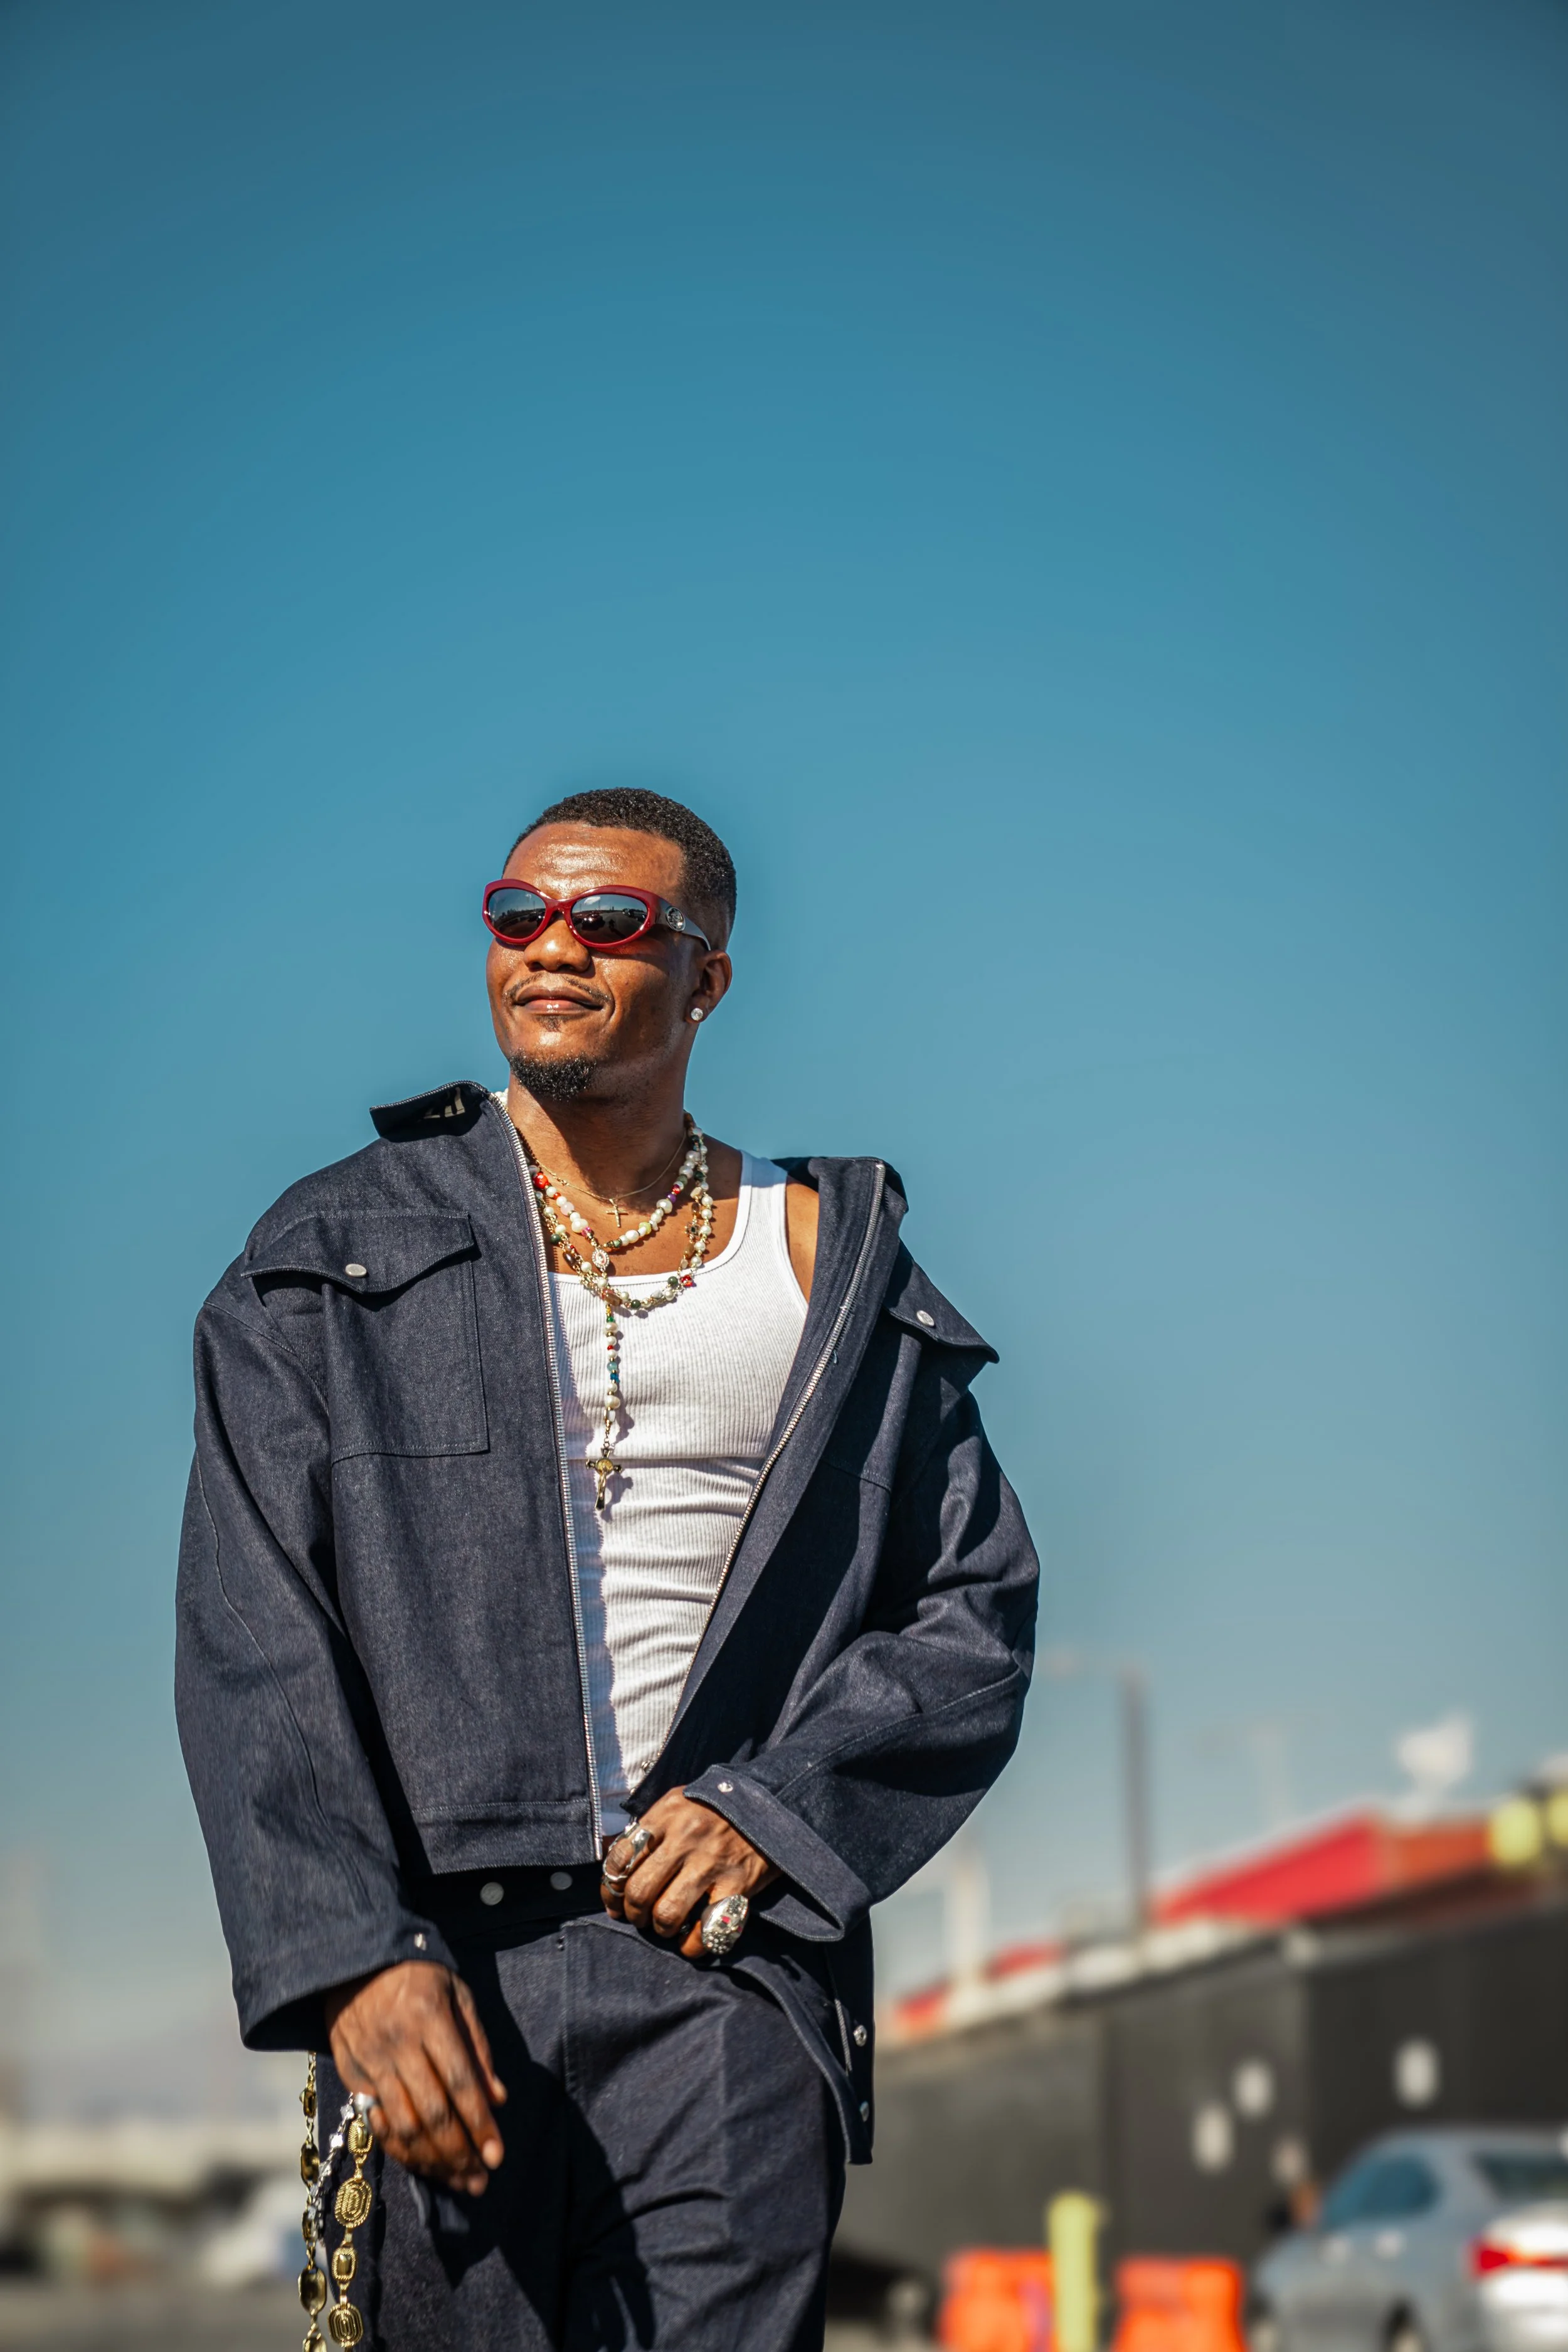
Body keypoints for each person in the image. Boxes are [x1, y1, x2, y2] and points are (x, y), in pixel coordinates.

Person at [176, 787, 1038, 2352]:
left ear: (704, 977)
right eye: (517, 917)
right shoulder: (324, 1249)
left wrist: (774, 1812)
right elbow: (255, 1638)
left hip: (725, 1989)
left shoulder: (827, 1264)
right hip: (442, 1980)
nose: (552, 949)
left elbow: (969, 1606)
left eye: (610, 921)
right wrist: (350, 1959)